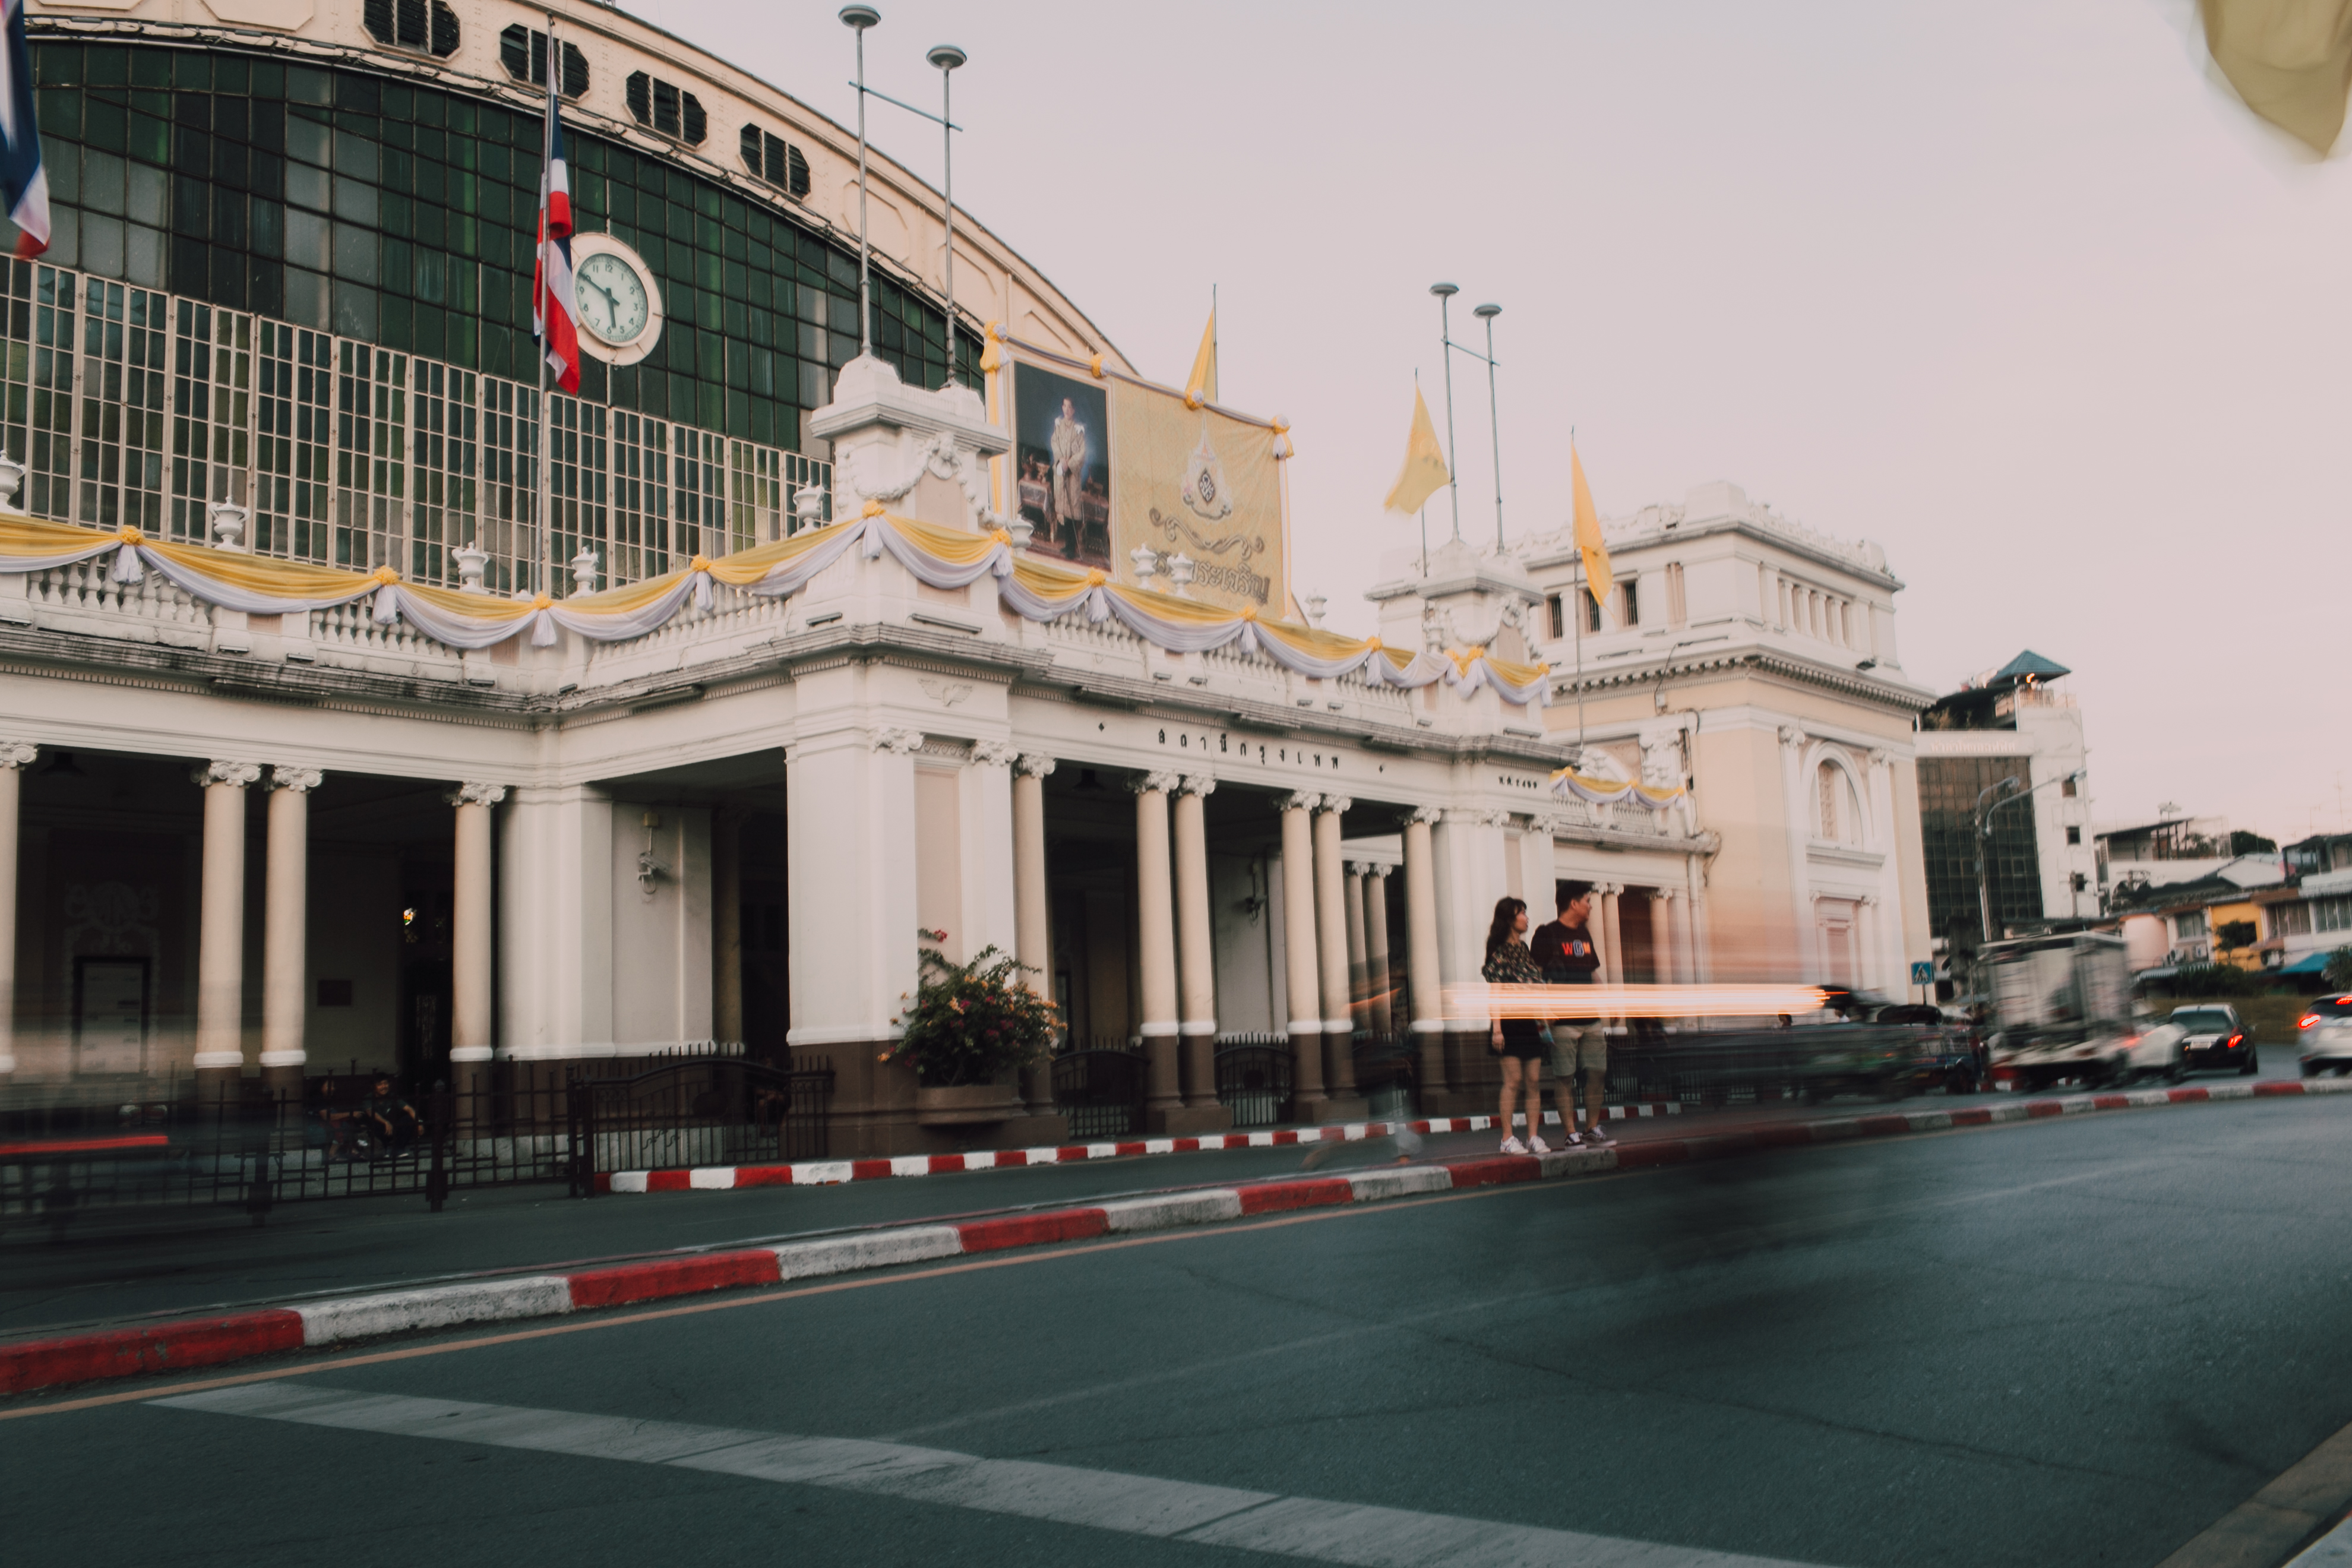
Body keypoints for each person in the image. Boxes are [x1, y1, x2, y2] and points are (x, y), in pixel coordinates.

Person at [1531, 881, 1610, 1148]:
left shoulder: (1584, 934)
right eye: (1587, 901)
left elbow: (1592, 973)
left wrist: (1609, 1003)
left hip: (1591, 1018)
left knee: (1598, 1072)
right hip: (1563, 1020)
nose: (1590, 906)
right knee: (1565, 1077)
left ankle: (1591, 1128)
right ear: (1573, 903)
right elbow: (1536, 976)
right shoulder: (1547, 933)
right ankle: (1570, 1133)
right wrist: (1543, 1012)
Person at [1482, 896, 1551, 1155]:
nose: (1526, 918)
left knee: (1533, 1080)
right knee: (1513, 1081)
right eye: (1521, 913)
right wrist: (1497, 1029)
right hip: (1509, 1023)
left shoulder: (1524, 949)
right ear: (1510, 920)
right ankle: (1507, 1138)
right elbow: (1496, 993)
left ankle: (1533, 1137)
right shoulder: (1499, 952)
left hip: (1530, 1021)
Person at [1048, 397, 1088, 555]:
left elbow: (1082, 453)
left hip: (1072, 476)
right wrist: (1060, 460)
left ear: (1074, 410)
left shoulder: (1078, 430)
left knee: (1071, 511)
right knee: (1063, 510)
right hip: (1061, 472)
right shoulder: (1058, 426)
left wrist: (1069, 464)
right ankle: (1067, 544)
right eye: (1064, 406)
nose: (1067, 409)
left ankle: (1072, 548)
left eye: (1070, 407)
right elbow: (1054, 443)